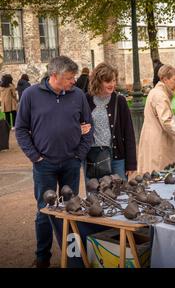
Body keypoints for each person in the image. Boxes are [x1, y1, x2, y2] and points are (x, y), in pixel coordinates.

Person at [15, 56, 93, 268]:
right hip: (44, 165)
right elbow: (20, 129)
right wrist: (35, 157)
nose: (73, 82)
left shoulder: (78, 95)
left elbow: (88, 127)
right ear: (54, 76)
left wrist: (79, 155)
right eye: (69, 78)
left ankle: (73, 257)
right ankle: (43, 258)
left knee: (72, 209)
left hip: (71, 163)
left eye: (73, 77)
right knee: (44, 213)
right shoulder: (31, 95)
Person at [85, 62, 136, 181]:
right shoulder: (86, 100)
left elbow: (128, 133)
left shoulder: (120, 100)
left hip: (117, 157)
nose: (112, 84)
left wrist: (131, 163)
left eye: (114, 80)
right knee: (94, 196)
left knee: (120, 195)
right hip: (93, 158)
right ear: (98, 81)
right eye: (108, 81)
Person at [139, 65, 175, 173]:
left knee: (154, 173)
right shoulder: (160, 96)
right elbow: (166, 121)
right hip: (158, 141)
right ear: (165, 79)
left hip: (153, 137)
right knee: (159, 174)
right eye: (174, 80)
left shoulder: (157, 92)